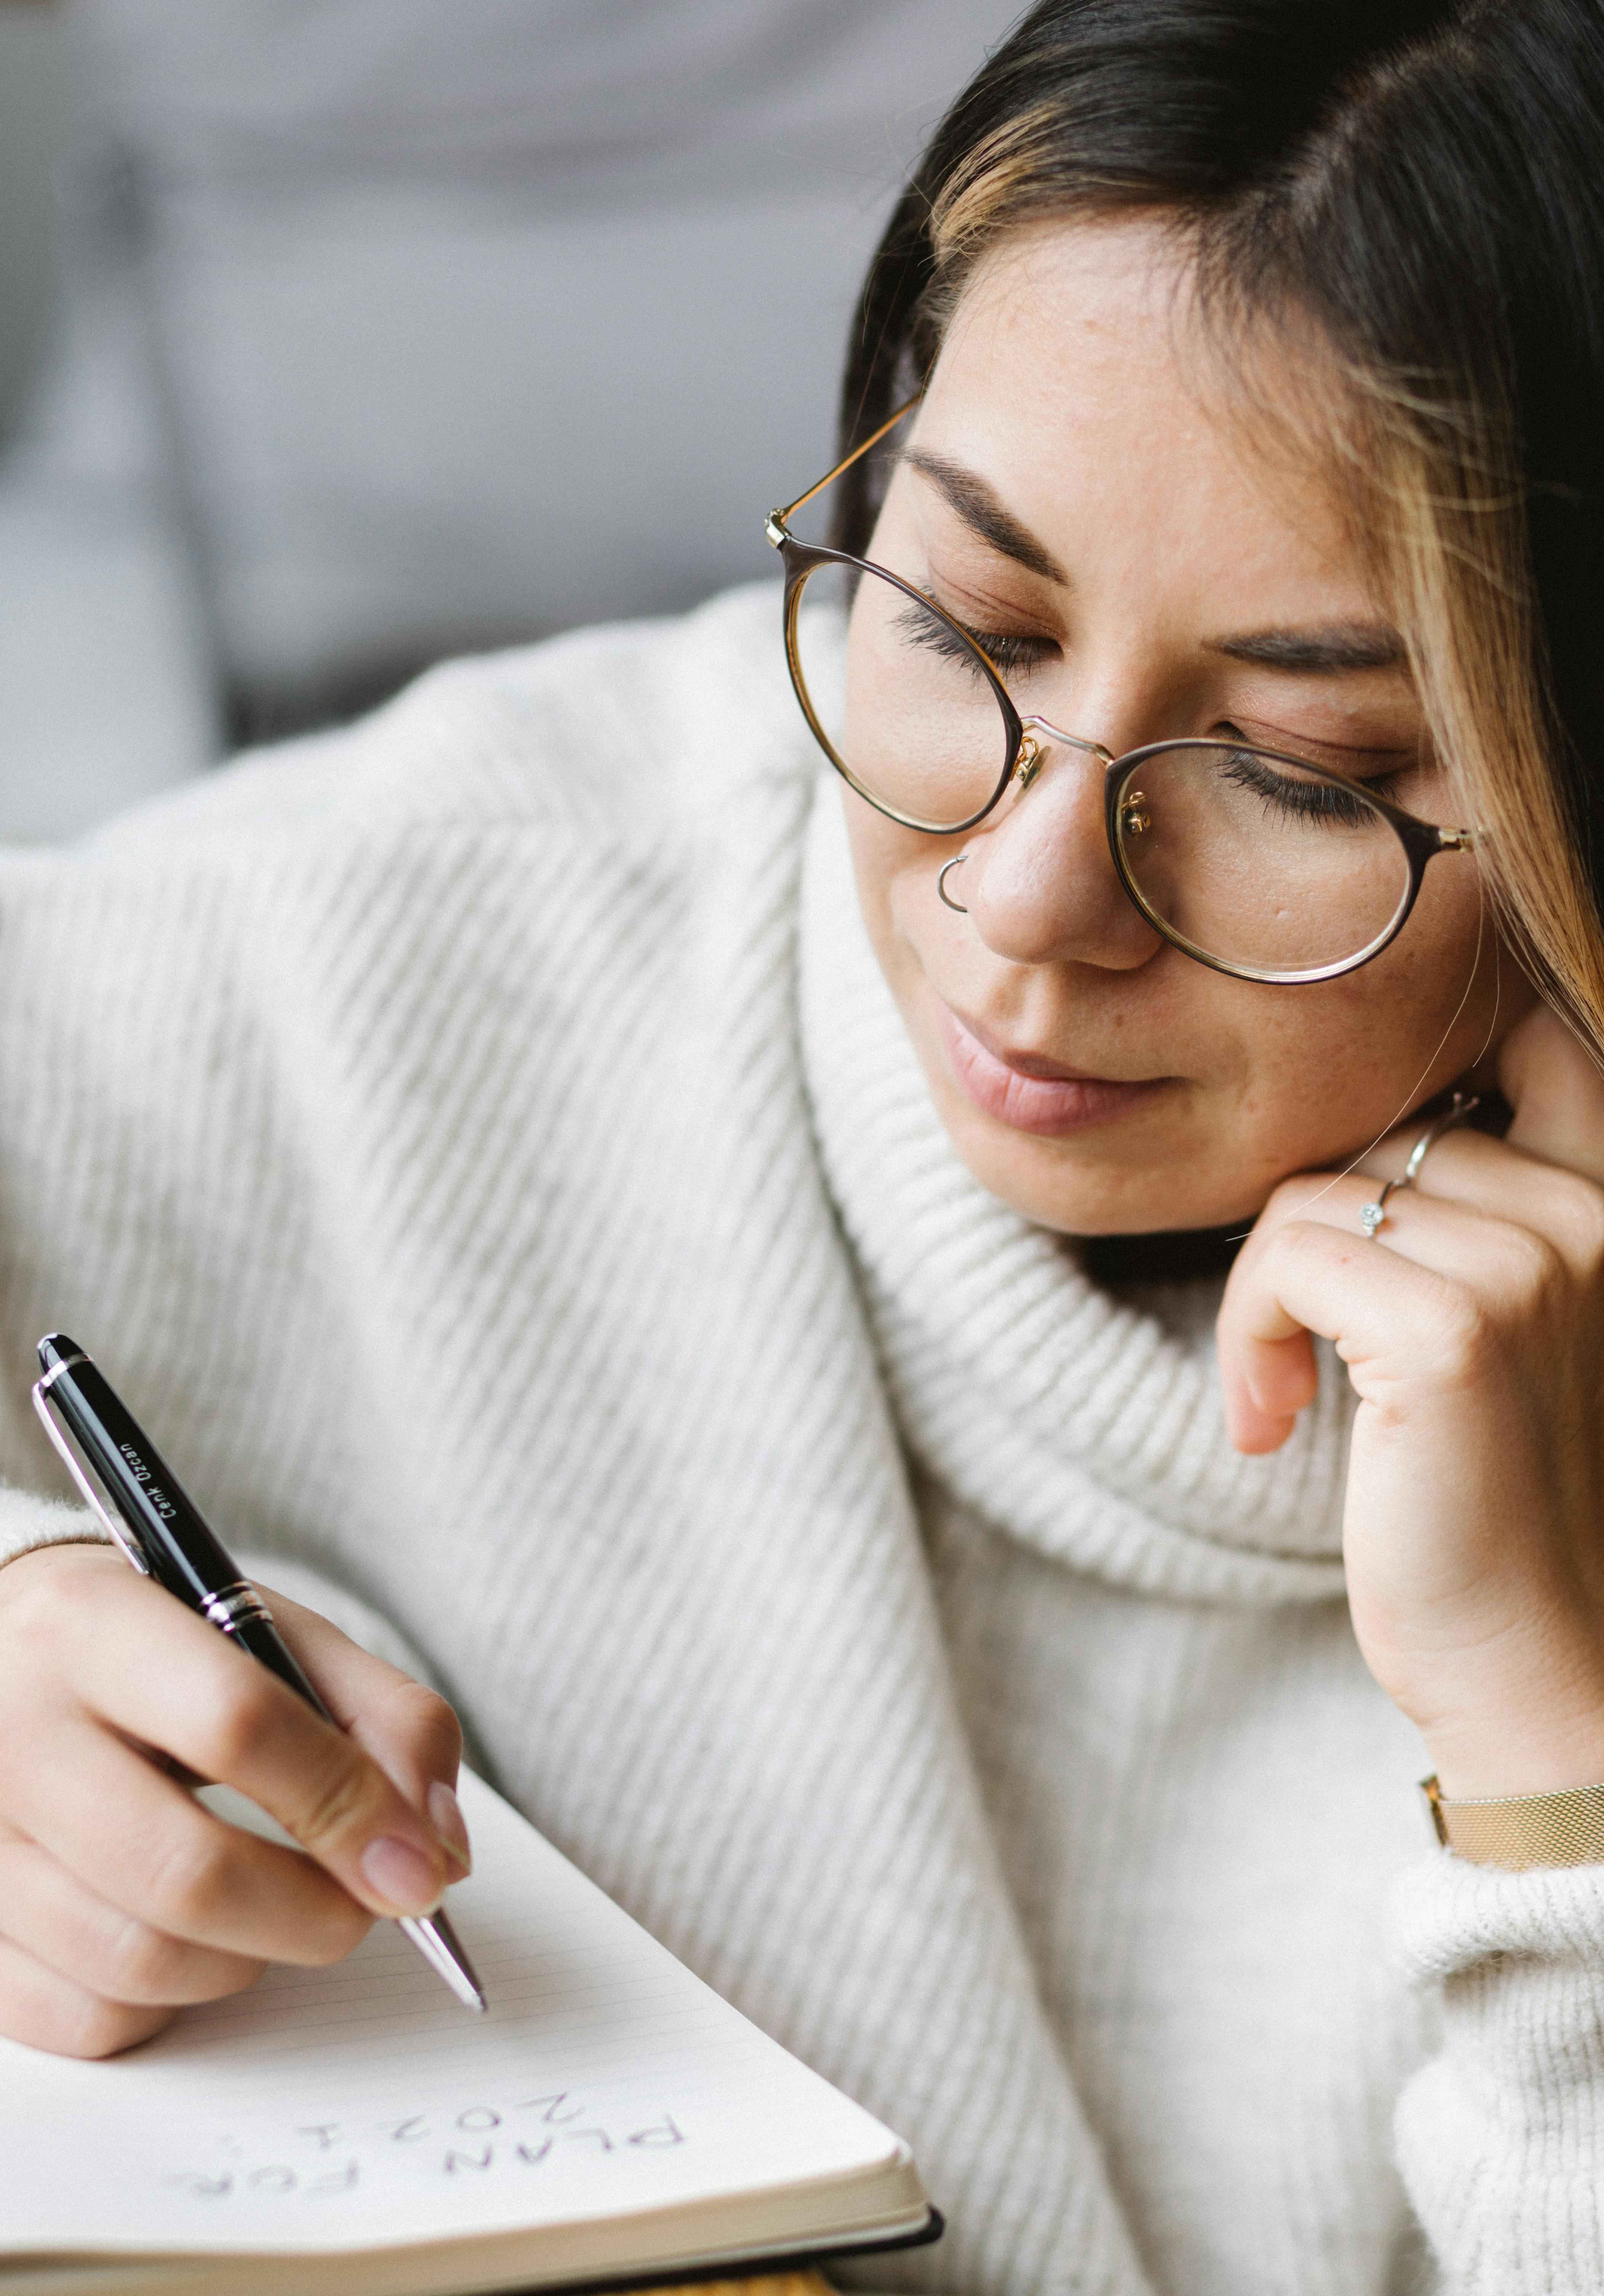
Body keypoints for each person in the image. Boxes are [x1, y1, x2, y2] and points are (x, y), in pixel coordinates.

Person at [1, 2, 1602, 2287]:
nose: (1020, 899)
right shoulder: (422, 934)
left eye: (1298, 775)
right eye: (960, 616)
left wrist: (1554, 1760)